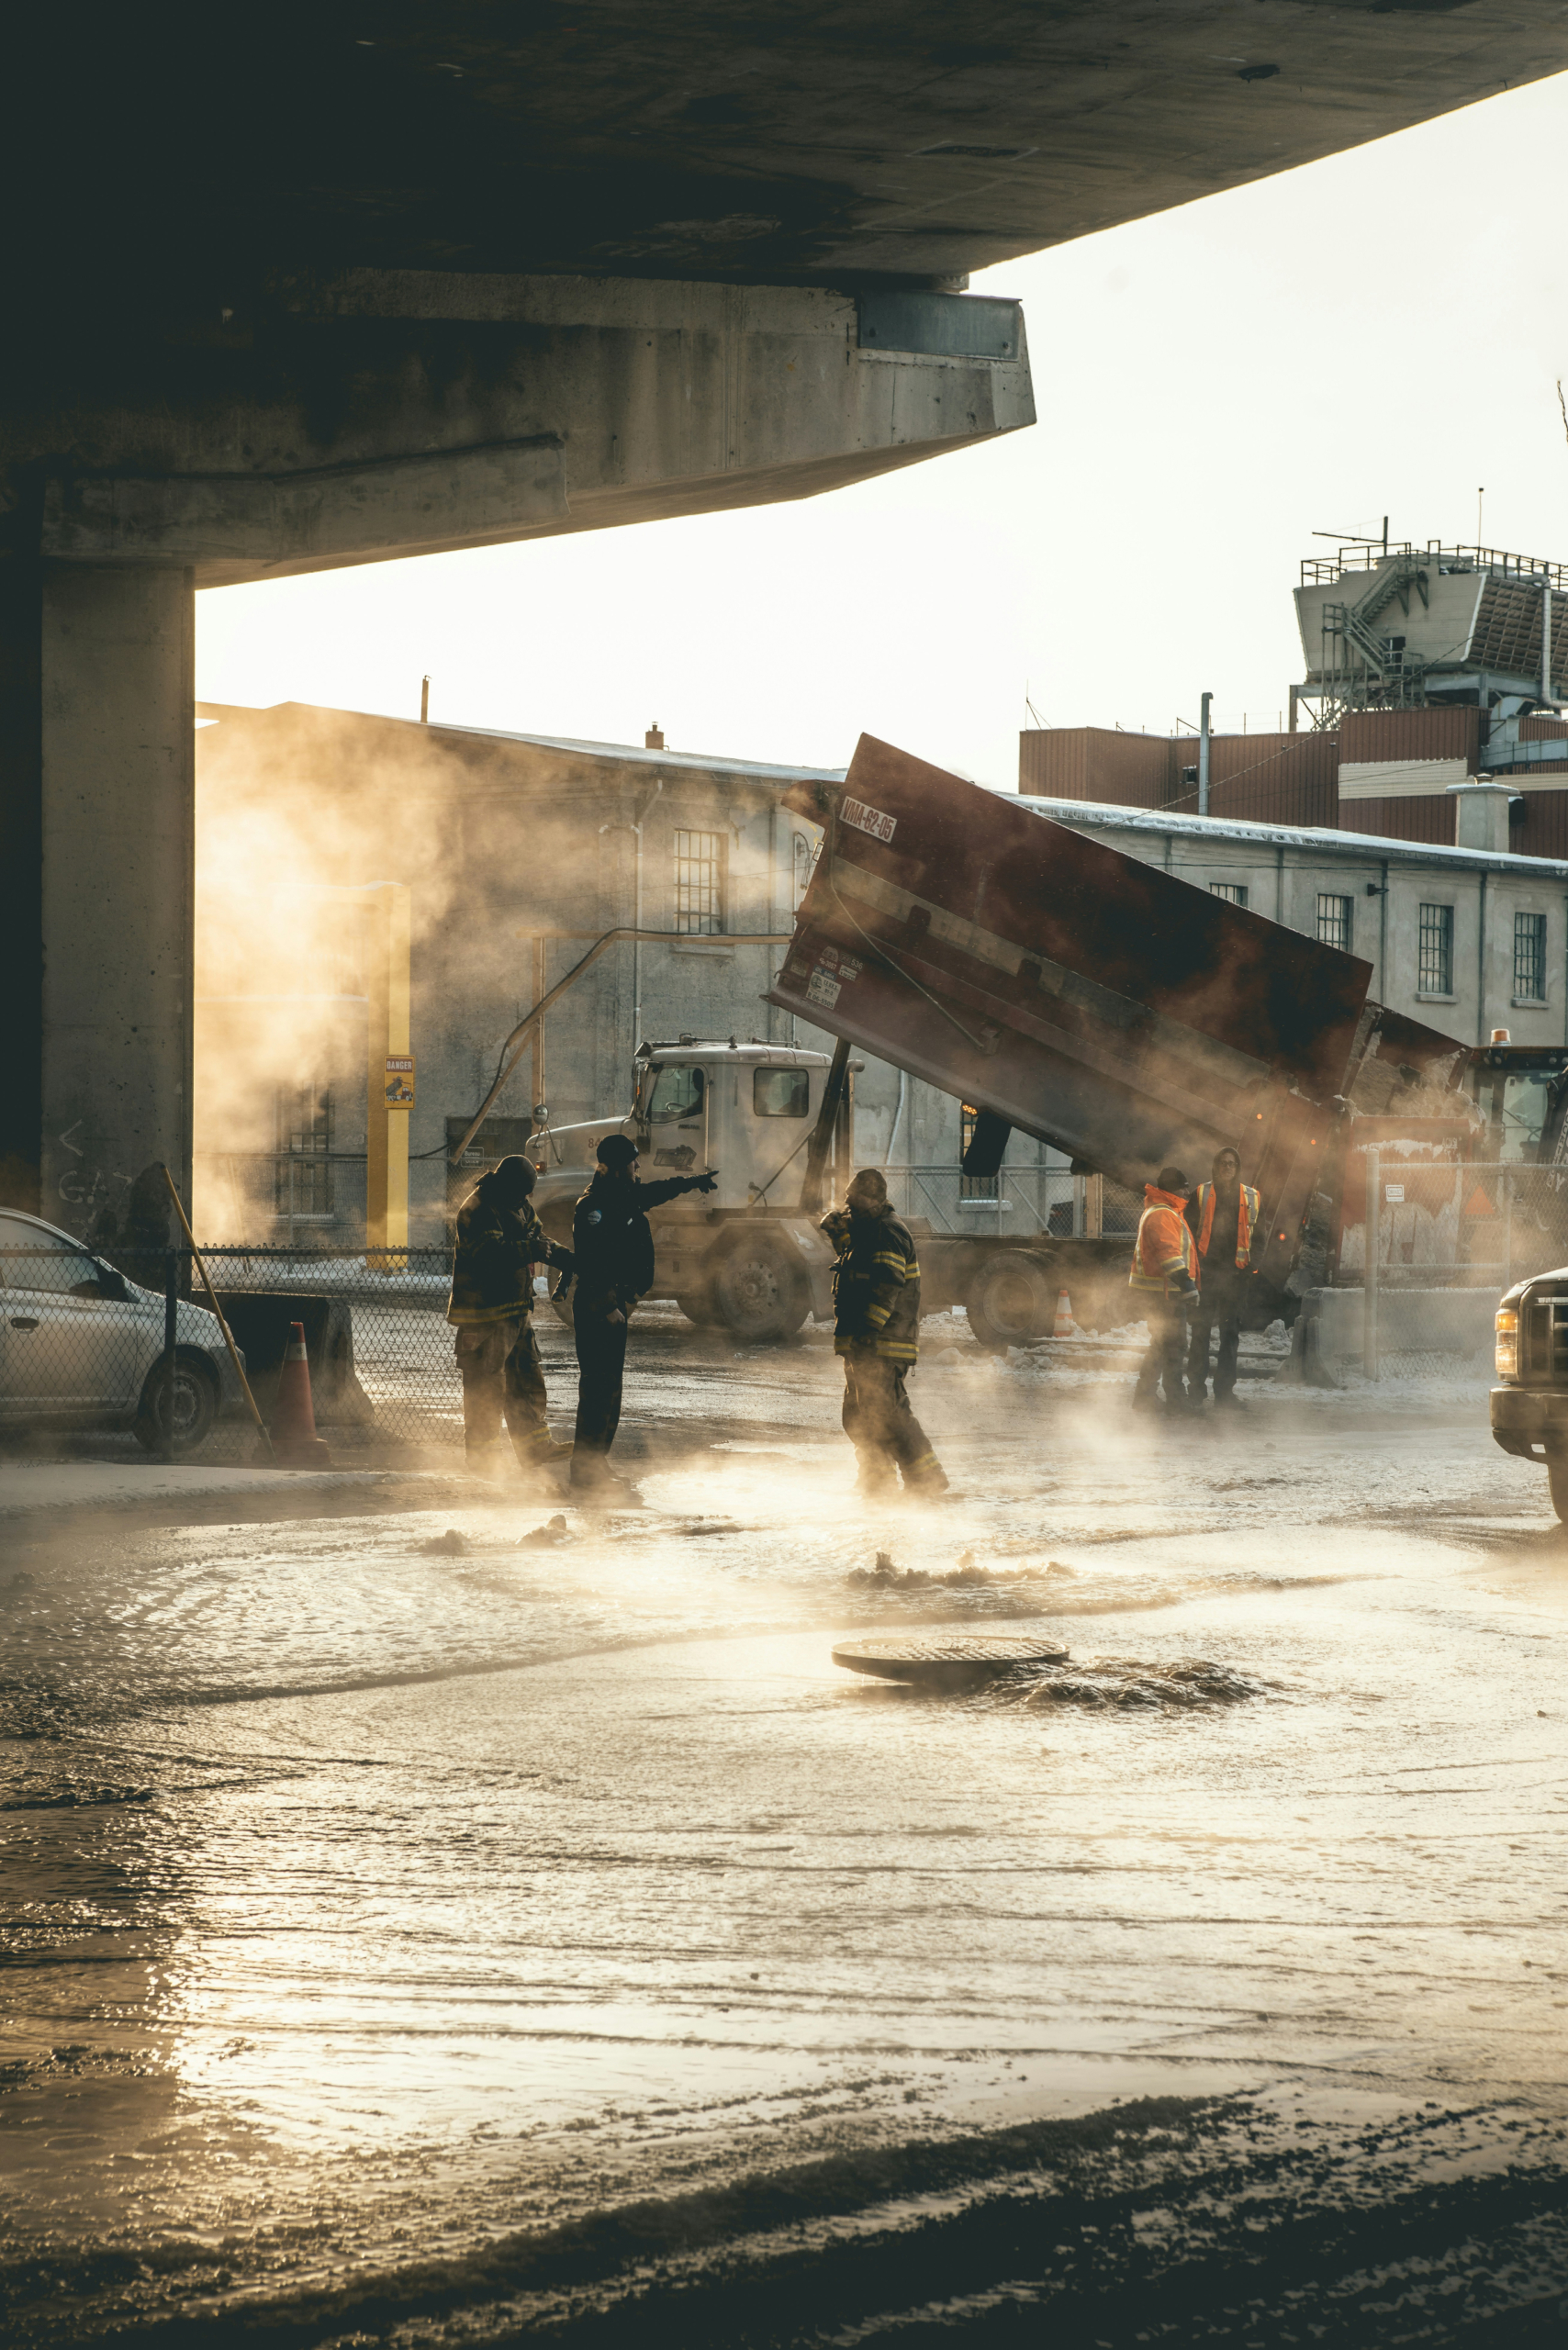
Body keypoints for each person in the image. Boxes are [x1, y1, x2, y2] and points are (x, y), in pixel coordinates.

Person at [565, 1133, 718, 1495]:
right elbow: (590, 1262)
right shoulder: (593, 1206)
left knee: (610, 1391)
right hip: (598, 1308)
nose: (638, 1166)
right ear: (618, 1168)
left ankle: (596, 1464)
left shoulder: (624, 1195)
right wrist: (607, 1306)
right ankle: (585, 1473)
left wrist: (693, 1182)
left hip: (615, 1306)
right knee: (597, 1391)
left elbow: (657, 1191)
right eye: (633, 1161)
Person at [446, 1155, 576, 1483]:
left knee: (526, 1382)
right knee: (486, 1389)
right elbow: (490, 1254)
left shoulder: (518, 1205)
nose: (528, 1198)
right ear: (509, 1185)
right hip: (485, 1317)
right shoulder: (478, 1208)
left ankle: (535, 1448)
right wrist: (532, 1250)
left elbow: (539, 1240)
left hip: (515, 1313)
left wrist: (567, 1258)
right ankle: (483, 1460)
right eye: (524, 1191)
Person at [820, 1166, 947, 1497]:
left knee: (888, 1415)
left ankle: (926, 1479)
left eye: (854, 1199)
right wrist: (837, 1235)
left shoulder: (888, 1231)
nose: (848, 1204)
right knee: (858, 1416)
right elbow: (856, 1265)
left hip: (882, 1341)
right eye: (847, 1198)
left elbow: (886, 1286)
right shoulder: (869, 1228)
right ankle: (877, 1478)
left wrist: (868, 1332)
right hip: (862, 1341)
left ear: (874, 1199)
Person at [1185, 1145, 1260, 1410]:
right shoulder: (1201, 1193)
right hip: (1206, 1275)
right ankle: (1195, 1391)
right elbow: (1188, 1232)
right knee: (1200, 1333)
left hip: (1235, 1277)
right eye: (1223, 1163)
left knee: (1230, 1335)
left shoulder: (1251, 1196)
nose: (1227, 1167)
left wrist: (1251, 1267)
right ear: (1215, 1166)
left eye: (1232, 1163)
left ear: (1237, 1168)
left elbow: (1259, 1235)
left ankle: (1224, 1393)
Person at [1129, 1163, 1199, 1412]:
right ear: (1173, 1189)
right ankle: (1171, 1399)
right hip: (1165, 1293)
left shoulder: (1162, 1211)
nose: (1188, 1193)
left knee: (1164, 1344)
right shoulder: (1164, 1214)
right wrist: (1187, 1284)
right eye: (1184, 1188)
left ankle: (1148, 1397)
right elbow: (1170, 1254)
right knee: (1171, 1345)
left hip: (1162, 1292)